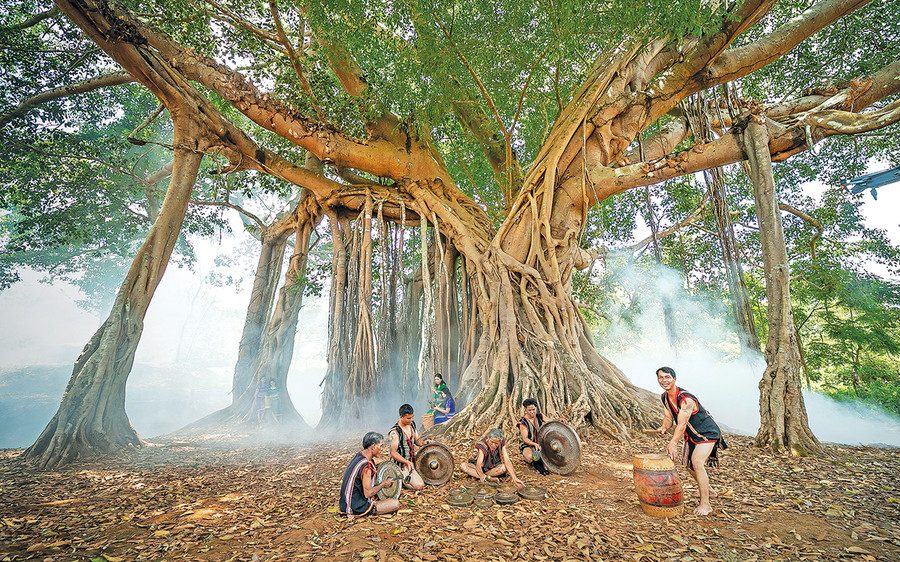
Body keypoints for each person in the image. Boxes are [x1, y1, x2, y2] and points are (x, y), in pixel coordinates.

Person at [652, 366, 727, 516]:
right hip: (692, 434)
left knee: (697, 462)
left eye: (667, 377)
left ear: (674, 379)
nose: (664, 380)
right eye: (661, 377)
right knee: (689, 465)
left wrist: (673, 443)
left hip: (707, 432)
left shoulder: (686, 399)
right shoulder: (665, 397)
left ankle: (705, 505)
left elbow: (682, 424)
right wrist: (664, 427)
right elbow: (668, 418)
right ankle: (709, 490)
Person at [339, 432, 400, 516]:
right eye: (380, 446)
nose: (381, 449)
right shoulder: (366, 467)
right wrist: (383, 484)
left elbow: (378, 461)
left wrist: (392, 465)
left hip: (345, 503)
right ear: (373, 446)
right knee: (395, 504)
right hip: (355, 507)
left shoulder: (360, 456)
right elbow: (368, 493)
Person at [460, 428, 525, 487]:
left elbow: (507, 460)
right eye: (491, 442)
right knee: (463, 466)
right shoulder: (483, 444)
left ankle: (480, 476)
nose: (493, 445)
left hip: (493, 468)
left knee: (504, 468)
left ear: (500, 441)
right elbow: (478, 464)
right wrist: (481, 475)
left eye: (496, 443)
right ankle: (489, 478)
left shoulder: (502, 442)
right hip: (481, 467)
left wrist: (514, 478)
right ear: (488, 438)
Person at [388, 404, 432, 491]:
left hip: (411, 461)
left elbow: (417, 440)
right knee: (419, 486)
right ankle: (398, 475)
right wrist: (407, 462)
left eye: (412, 417)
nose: (411, 420)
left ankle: (406, 477)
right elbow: (393, 452)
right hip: (401, 465)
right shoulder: (395, 432)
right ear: (401, 417)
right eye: (408, 418)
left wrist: (424, 442)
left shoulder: (412, 424)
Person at [517, 398, 553, 474]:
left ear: (536, 408)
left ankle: (541, 461)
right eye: (529, 410)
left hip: (539, 442)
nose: (532, 412)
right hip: (527, 444)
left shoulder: (539, 416)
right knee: (530, 458)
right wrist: (534, 444)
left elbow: (551, 421)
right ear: (526, 409)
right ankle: (534, 463)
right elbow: (525, 438)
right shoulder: (523, 422)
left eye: (533, 409)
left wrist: (559, 420)